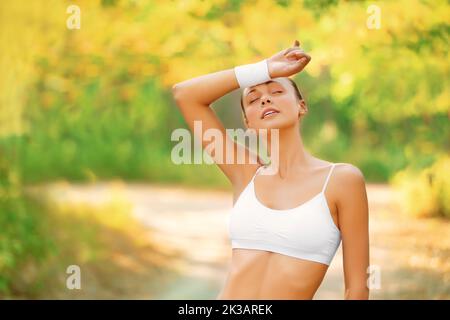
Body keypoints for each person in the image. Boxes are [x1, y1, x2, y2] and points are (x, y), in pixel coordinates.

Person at [172, 40, 369, 299]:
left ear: (302, 106)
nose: (265, 98)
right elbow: (185, 94)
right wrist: (264, 69)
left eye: (276, 92)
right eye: (253, 98)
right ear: (247, 122)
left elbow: (357, 288)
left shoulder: (342, 180)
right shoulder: (245, 173)